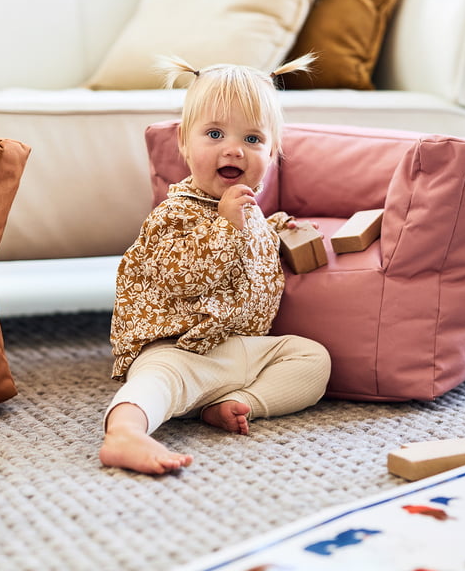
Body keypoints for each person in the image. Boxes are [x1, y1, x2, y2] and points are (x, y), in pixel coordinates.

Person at [99, 54, 331, 475]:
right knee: (154, 383)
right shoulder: (175, 214)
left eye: (253, 139)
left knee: (311, 358)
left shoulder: (248, 209)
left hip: (242, 351)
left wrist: (276, 226)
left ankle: (237, 404)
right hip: (181, 349)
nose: (233, 148)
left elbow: (251, 245)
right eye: (214, 133)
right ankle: (124, 432)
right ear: (184, 145)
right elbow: (183, 277)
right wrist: (225, 225)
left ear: (273, 153)